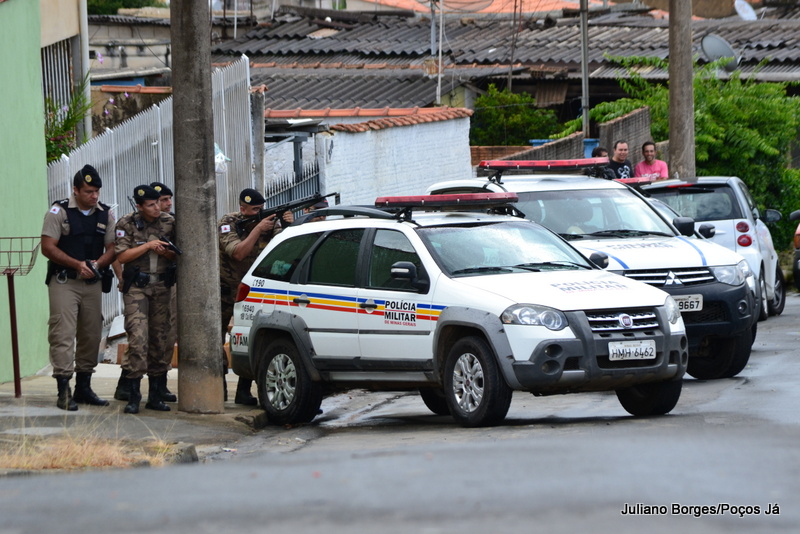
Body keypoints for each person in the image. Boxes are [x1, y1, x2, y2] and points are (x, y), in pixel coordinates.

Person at [40, 164, 115, 411]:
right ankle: (64, 389)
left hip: (92, 282)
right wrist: (77, 264)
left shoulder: (105, 214)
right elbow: (48, 247)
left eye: (97, 191)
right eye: (89, 191)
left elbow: (113, 247)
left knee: (91, 334)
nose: (94, 196)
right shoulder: (58, 211)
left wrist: (97, 265)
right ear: (75, 190)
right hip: (65, 281)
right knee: (63, 333)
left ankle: (84, 386)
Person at [218, 188, 292, 405]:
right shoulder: (229, 222)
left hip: (252, 291)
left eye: (261, 208)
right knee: (216, 338)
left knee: (250, 337)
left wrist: (288, 224)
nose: (260, 213)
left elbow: (286, 248)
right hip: (225, 287)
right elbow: (238, 252)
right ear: (243, 209)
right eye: (255, 210)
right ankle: (217, 386)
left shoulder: (271, 222)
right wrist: (258, 229)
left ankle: (244, 389)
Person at [115, 185, 178, 414]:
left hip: (161, 285)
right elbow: (122, 255)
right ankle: (133, 395)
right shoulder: (126, 223)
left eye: (157, 203)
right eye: (150, 205)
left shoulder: (169, 222)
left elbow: (177, 254)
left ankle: (156, 395)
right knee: (138, 338)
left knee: (160, 340)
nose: (156, 208)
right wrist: (149, 246)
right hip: (137, 288)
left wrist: (166, 252)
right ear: (139, 206)